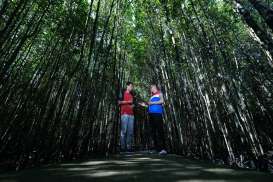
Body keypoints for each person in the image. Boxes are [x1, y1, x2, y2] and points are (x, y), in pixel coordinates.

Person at [140, 84, 167, 155]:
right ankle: (157, 149)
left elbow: (162, 101)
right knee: (153, 131)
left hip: (157, 114)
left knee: (160, 130)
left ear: (154, 87)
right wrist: (144, 105)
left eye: (151, 88)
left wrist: (152, 103)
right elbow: (149, 105)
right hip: (151, 114)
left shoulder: (159, 93)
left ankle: (163, 149)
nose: (150, 89)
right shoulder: (151, 97)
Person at [118, 82, 134, 152]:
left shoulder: (132, 94)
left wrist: (133, 106)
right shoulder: (122, 92)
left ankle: (128, 147)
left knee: (130, 132)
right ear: (127, 86)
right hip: (124, 113)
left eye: (132, 87)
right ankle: (122, 147)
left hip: (131, 114)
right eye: (130, 86)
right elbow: (119, 102)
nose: (131, 87)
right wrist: (128, 101)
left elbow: (133, 104)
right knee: (123, 131)